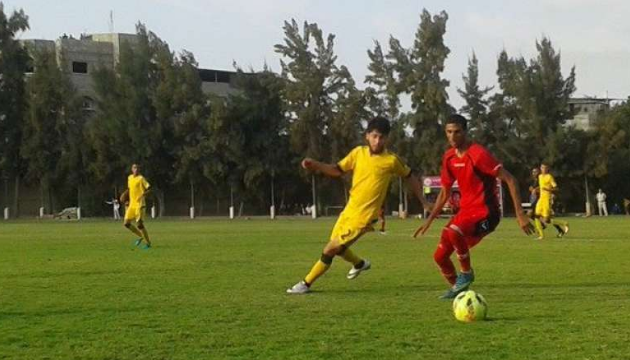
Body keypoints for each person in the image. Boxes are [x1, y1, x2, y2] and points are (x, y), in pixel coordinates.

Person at [286, 117, 431, 294]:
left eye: (382, 137)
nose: (378, 141)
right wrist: (316, 165)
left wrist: (424, 202)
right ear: (367, 136)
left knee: (330, 249)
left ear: (387, 139)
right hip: (349, 211)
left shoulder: (391, 160)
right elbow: (337, 170)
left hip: (365, 217)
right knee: (338, 248)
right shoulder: (357, 153)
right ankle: (360, 263)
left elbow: (410, 176)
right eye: (375, 136)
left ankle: (305, 284)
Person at [414, 114, 534, 299]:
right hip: (466, 213)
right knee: (439, 257)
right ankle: (461, 294)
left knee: (454, 231)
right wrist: (429, 220)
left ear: (465, 132)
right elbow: (445, 192)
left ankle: (466, 273)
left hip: (487, 213)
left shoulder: (478, 154)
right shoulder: (449, 158)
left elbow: (510, 179)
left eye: (457, 132)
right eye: (449, 132)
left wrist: (520, 214)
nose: (452, 136)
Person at [120, 163, 152, 249]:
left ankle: (148, 243)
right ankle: (141, 236)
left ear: (139, 169)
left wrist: (142, 195)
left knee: (139, 225)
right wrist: (125, 197)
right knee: (126, 224)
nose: (136, 169)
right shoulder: (129, 178)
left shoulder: (141, 178)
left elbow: (149, 188)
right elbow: (130, 189)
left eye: (137, 168)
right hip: (132, 205)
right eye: (134, 168)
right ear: (132, 169)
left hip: (140, 204)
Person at [533, 163, 569, 239]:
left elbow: (556, 188)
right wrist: (536, 189)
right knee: (536, 216)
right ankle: (541, 235)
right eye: (542, 167)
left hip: (547, 199)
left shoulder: (549, 177)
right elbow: (541, 186)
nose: (543, 169)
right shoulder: (539, 176)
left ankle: (564, 223)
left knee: (546, 220)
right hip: (541, 199)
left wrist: (548, 189)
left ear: (547, 169)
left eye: (545, 168)